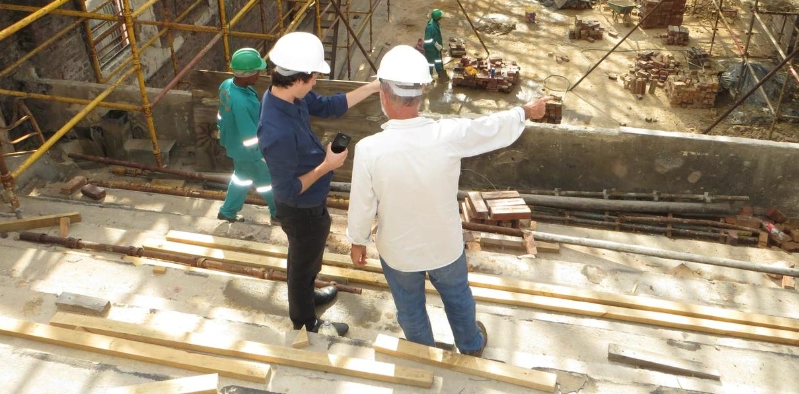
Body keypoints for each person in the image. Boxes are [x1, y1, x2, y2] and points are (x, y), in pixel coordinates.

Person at [346, 45, 551, 357]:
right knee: (458, 297)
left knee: (410, 309)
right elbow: (489, 128)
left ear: (383, 95)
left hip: (399, 251)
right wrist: (525, 111)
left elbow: (362, 204)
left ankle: (423, 353)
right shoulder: (448, 135)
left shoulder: (369, 149)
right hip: (445, 245)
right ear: (422, 95)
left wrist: (357, 241)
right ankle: (470, 345)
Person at [258, 31, 380, 337]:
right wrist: (327, 166)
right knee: (301, 263)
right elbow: (284, 190)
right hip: (299, 208)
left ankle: (309, 295)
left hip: (312, 203)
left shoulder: (289, 94)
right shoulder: (276, 131)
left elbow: (328, 106)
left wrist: (373, 87)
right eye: (314, 78)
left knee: (309, 258)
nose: (316, 83)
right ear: (297, 78)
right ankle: (305, 321)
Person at [216, 48, 276, 224]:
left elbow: (221, 114)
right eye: (257, 71)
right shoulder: (241, 102)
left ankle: (227, 212)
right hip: (251, 153)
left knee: (241, 179)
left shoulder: (226, 85)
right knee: (269, 183)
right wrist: (261, 155)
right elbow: (249, 135)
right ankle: (279, 213)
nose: (259, 74)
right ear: (247, 75)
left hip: (235, 147)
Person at [423, 9, 445, 77]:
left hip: (436, 48)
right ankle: (429, 76)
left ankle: (440, 72)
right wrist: (436, 44)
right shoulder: (430, 27)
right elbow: (427, 40)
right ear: (438, 18)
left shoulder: (435, 23)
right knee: (430, 63)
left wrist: (438, 46)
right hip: (430, 49)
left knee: (438, 60)